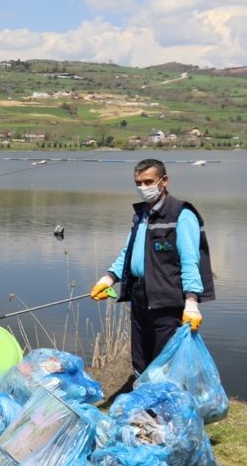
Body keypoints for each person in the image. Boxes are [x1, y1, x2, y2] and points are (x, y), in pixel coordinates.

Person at [90, 158, 214, 373]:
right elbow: (128, 253)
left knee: (164, 359)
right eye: (138, 183)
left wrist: (192, 302)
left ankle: (163, 404)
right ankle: (142, 399)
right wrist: (109, 278)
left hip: (167, 299)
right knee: (140, 355)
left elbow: (190, 261)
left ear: (164, 180)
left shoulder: (181, 214)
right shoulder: (141, 215)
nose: (143, 188)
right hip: (140, 295)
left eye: (148, 182)